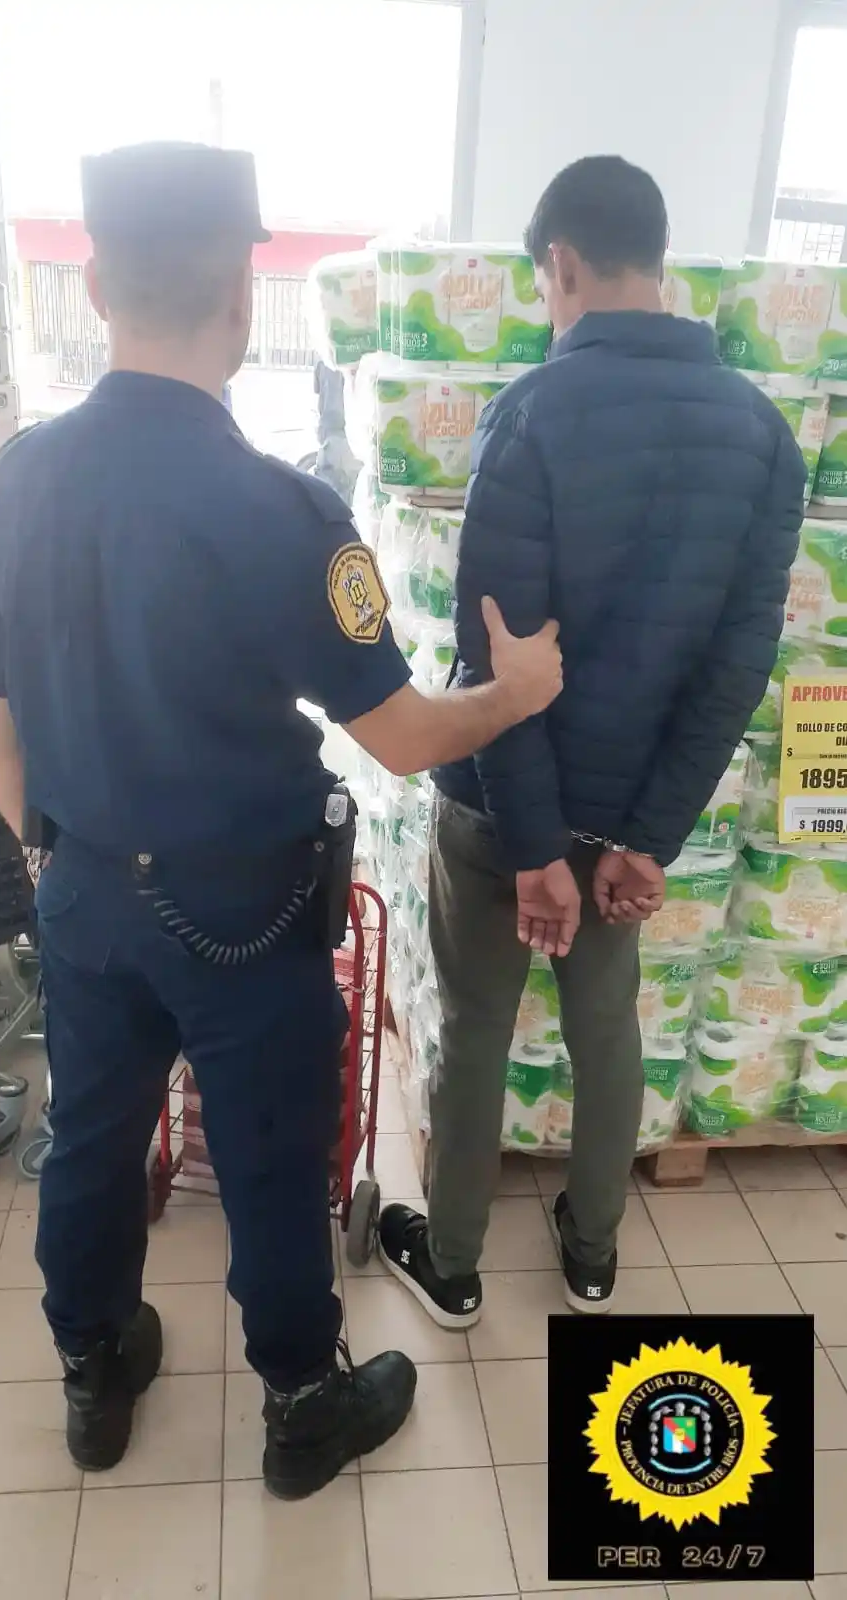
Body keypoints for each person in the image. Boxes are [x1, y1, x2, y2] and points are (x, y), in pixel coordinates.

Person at [0, 141, 563, 1497]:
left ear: (97, 284)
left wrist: (50, 844)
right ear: (243, 296)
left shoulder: (7, 489)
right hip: (247, 907)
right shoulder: (287, 510)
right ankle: (299, 1404)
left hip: (90, 888)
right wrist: (513, 692)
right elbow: (402, 733)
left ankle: (94, 1369)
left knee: (94, 1137)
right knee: (277, 1156)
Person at [378, 154, 805, 1322]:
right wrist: (640, 834)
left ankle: (454, 1265)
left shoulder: (535, 413)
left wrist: (528, 850)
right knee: (605, 1024)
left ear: (559, 265)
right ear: (658, 263)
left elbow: (493, 655)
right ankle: (594, 1251)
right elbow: (734, 668)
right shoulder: (764, 437)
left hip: (499, 811)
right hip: (622, 817)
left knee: (473, 1025)